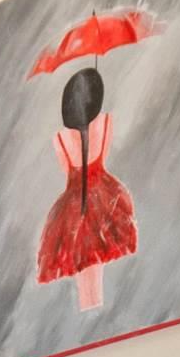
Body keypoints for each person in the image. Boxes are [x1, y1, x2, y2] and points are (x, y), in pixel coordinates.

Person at [37, 65, 139, 312]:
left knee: (83, 261)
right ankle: (95, 309)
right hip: (104, 196)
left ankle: (90, 308)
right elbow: (100, 153)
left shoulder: (60, 139)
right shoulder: (105, 123)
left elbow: (68, 171)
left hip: (75, 205)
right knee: (96, 260)